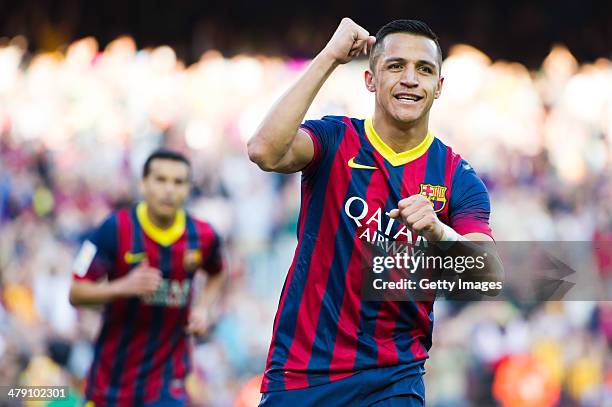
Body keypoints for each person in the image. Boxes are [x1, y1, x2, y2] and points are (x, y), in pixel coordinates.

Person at [248, 18, 502, 406]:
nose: (411, 79)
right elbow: (263, 150)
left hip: (393, 381)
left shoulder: (457, 177)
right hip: (304, 372)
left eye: (425, 70)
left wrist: (439, 233)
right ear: (370, 79)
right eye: (396, 66)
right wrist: (331, 56)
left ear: (439, 87)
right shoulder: (335, 140)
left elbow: (487, 274)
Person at [69, 149, 224, 407]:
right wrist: (122, 287)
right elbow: (76, 292)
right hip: (110, 383)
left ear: (188, 189)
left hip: (167, 383)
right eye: (160, 180)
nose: (169, 190)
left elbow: (217, 272)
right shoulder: (114, 229)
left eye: (178, 182)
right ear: (143, 184)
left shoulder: (204, 236)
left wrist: (204, 308)